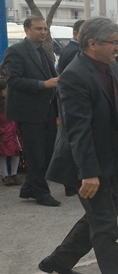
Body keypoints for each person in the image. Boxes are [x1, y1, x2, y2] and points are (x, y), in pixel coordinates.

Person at [41, 17, 118, 274]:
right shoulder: (74, 75)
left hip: (110, 155)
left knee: (102, 215)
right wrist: (88, 173)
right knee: (105, 226)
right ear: (92, 43)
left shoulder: (112, 66)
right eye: (114, 43)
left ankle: (60, 259)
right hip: (85, 160)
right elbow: (78, 130)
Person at [5, 15, 61, 206]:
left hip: (47, 109)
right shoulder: (16, 52)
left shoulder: (44, 51)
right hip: (28, 112)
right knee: (36, 154)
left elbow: (52, 76)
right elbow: (13, 80)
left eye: (45, 29)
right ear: (27, 30)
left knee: (47, 152)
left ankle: (29, 187)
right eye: (39, 29)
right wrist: (42, 84)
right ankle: (41, 193)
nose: (43, 32)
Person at [0, 79, 22, 185]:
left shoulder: (10, 102)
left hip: (13, 132)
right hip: (4, 133)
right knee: (3, 155)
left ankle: (14, 173)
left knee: (16, 154)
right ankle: (5, 175)